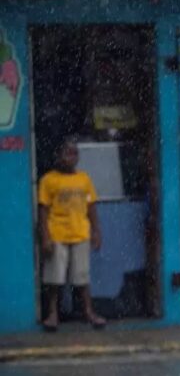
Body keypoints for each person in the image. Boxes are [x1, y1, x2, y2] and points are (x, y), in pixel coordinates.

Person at [39, 137, 106, 331]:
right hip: (57, 235)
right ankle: (53, 314)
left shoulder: (84, 179)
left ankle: (89, 312)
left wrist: (96, 231)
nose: (72, 157)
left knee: (82, 277)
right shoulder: (48, 180)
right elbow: (43, 211)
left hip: (80, 234)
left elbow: (91, 207)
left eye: (75, 153)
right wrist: (45, 236)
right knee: (55, 279)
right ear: (58, 156)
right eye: (67, 152)